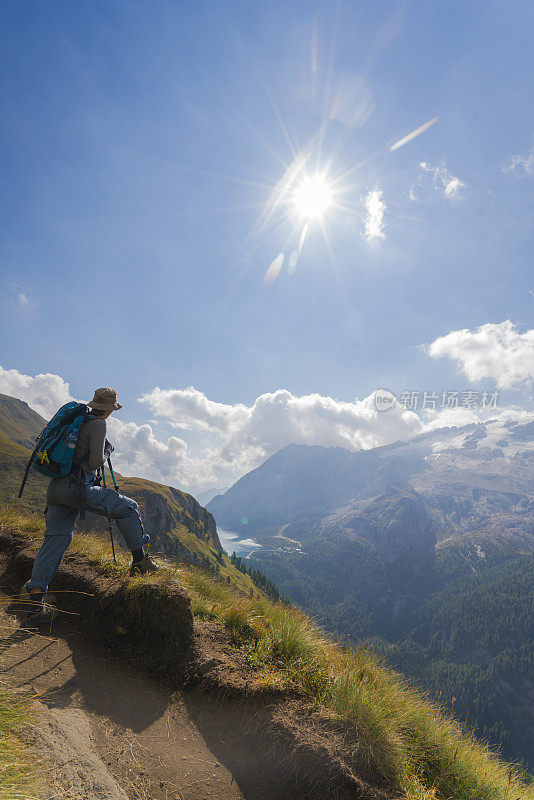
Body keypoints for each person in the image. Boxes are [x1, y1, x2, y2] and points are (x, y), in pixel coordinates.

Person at [23, 387, 158, 624]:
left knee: (55, 538)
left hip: (56, 488)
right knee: (128, 508)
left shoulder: (77, 421)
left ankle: (35, 604)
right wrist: (106, 451)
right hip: (77, 488)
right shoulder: (98, 425)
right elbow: (95, 461)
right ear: (109, 410)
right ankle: (140, 562)